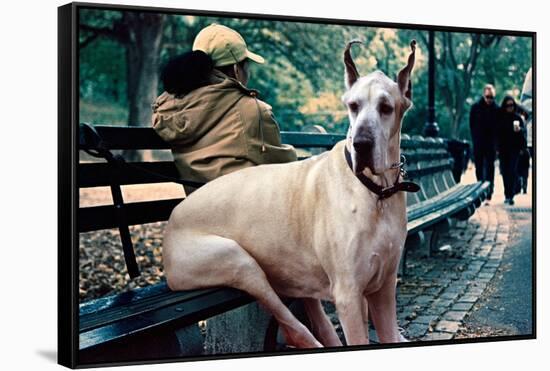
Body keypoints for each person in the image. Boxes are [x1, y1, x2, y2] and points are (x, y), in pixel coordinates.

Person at [152, 23, 297, 188]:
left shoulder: (172, 110)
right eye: (246, 64)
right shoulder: (253, 111)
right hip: (240, 209)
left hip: (196, 208)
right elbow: (284, 166)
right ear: (236, 69)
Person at [469, 84, 499, 204]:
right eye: (487, 97)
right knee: (479, 167)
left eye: (491, 97)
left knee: (490, 168)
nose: (489, 99)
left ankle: (489, 193)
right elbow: (471, 125)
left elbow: (498, 128)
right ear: (483, 95)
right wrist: (475, 138)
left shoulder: (496, 109)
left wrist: (497, 145)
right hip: (479, 142)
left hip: (491, 143)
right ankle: (480, 191)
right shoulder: (475, 107)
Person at [496, 96, 527, 205]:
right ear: (504, 106)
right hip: (503, 150)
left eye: (512, 105)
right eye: (508, 105)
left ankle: (511, 195)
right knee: (505, 172)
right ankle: (507, 194)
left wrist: (520, 130)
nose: (510, 107)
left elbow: (523, 134)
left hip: (514, 149)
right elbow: (497, 135)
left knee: (512, 171)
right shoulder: (500, 118)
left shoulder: (517, 119)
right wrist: (497, 149)